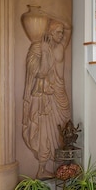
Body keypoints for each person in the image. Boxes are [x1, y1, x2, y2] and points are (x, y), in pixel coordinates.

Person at [22, 18, 71, 178]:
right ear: (50, 33)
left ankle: (63, 167)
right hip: (45, 97)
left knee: (61, 129)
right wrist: (43, 50)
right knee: (44, 132)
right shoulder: (38, 48)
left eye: (62, 33)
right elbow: (40, 73)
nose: (62, 35)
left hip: (59, 94)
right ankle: (42, 169)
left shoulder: (61, 47)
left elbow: (69, 28)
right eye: (58, 32)